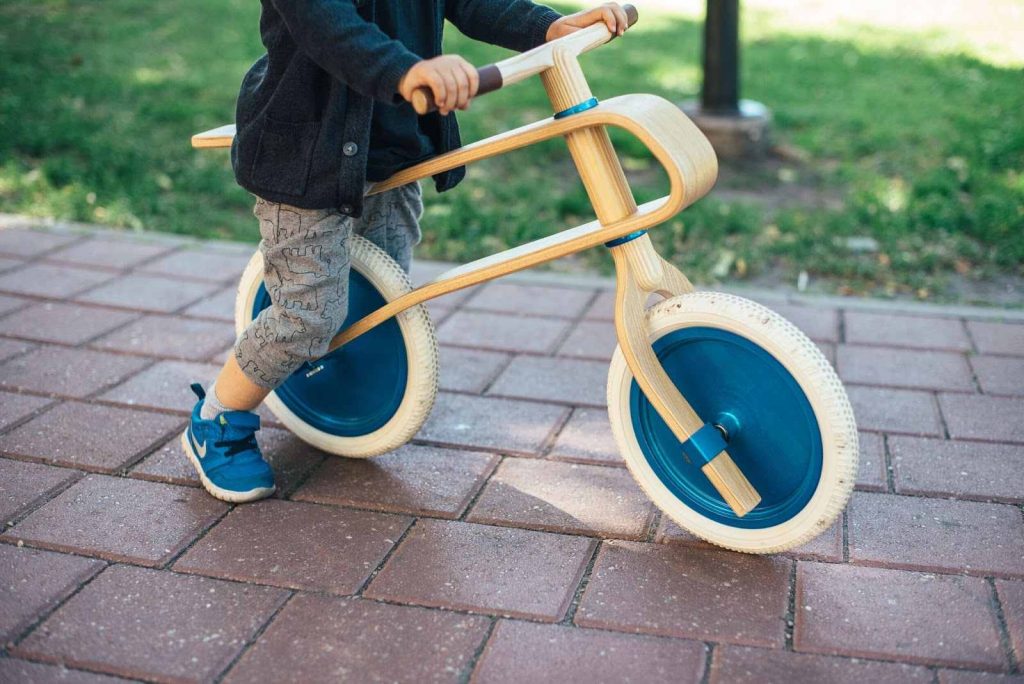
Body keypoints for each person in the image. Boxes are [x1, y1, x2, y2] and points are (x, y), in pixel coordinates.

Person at [183, 0, 632, 502]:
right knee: (308, 315)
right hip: (306, 161)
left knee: (382, 296)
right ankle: (217, 418)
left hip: (390, 151)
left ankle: (346, 384)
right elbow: (331, 28)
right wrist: (411, 70)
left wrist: (545, 25)